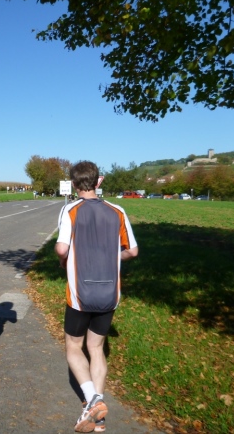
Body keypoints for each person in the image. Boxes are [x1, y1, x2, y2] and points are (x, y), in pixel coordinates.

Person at [54, 161, 138, 433]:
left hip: (81, 292)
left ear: (74, 184)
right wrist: (113, 256)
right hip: (109, 292)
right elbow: (132, 251)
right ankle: (98, 419)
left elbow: (62, 248)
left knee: (73, 347)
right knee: (96, 348)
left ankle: (93, 400)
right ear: (98, 181)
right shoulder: (118, 211)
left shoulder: (70, 209)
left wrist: (62, 260)